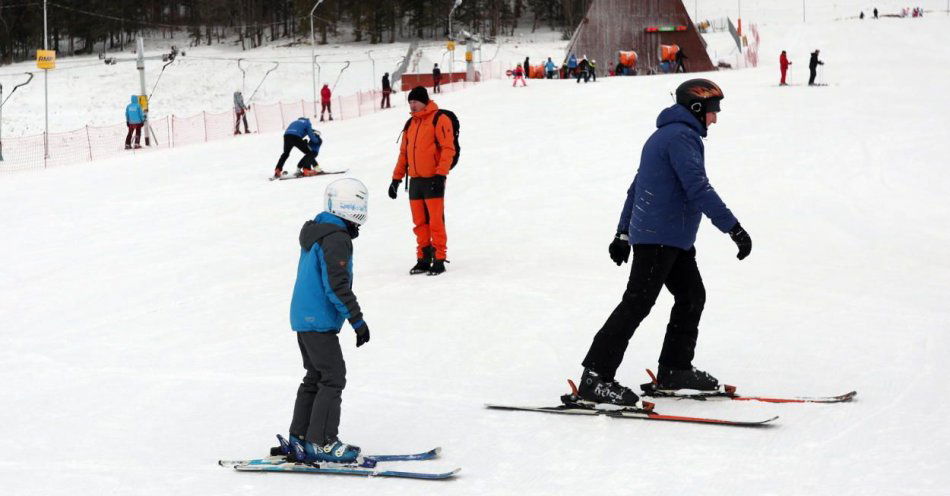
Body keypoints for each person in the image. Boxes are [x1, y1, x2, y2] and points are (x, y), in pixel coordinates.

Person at [576, 79, 751, 406]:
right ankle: (595, 377)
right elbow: (698, 189)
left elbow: (636, 187)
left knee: (691, 296)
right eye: (713, 111)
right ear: (697, 108)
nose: (714, 118)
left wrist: (623, 233)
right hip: (660, 238)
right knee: (637, 303)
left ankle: (675, 369)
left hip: (673, 239)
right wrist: (734, 228)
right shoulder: (681, 138)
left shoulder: (664, 136)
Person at [284, 178, 370, 464]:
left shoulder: (318, 231)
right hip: (318, 319)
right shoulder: (336, 237)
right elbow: (336, 285)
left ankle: (300, 437)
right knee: (332, 377)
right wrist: (357, 320)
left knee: (316, 377)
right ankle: (321, 442)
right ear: (352, 206)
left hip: (303, 316)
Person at [387, 86, 457, 276]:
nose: (412, 105)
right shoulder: (410, 124)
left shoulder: (439, 119)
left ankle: (439, 258)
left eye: (415, 101)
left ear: (424, 101)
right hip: (416, 181)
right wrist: (396, 179)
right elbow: (404, 154)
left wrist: (441, 174)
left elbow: (448, 148)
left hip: (433, 179)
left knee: (435, 222)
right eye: (410, 102)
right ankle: (424, 259)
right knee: (419, 223)